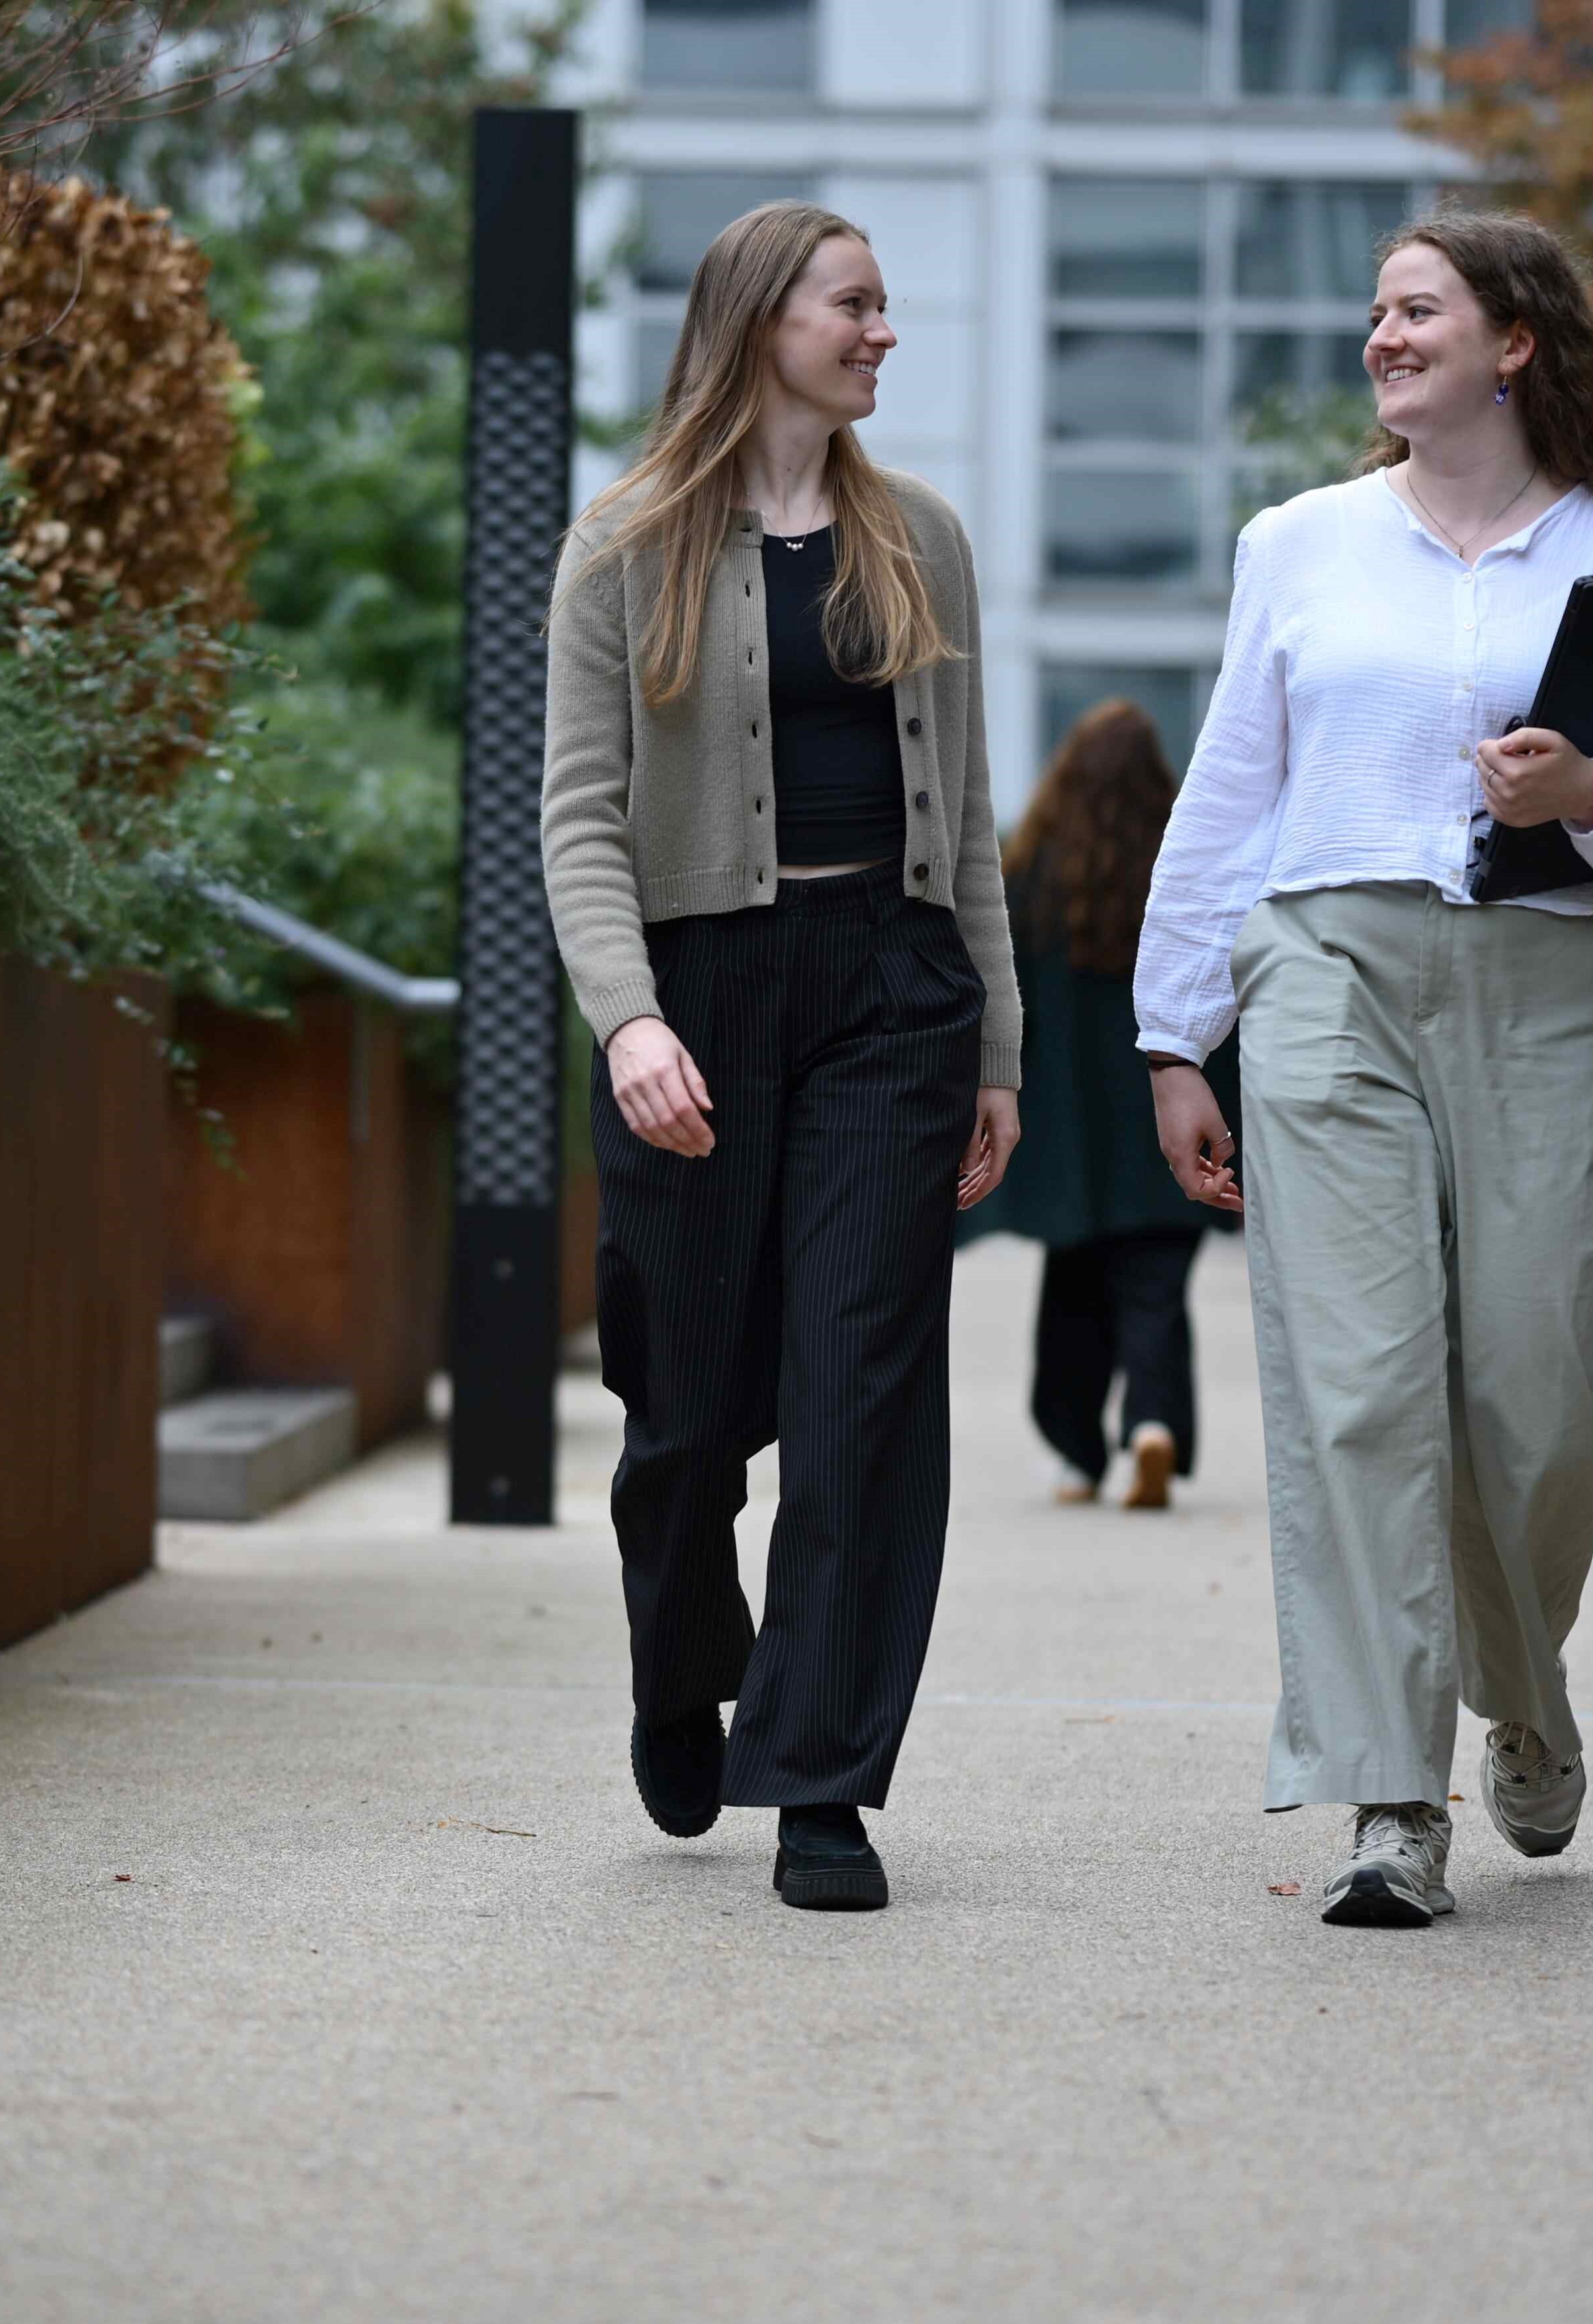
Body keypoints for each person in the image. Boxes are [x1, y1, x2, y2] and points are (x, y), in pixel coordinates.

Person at [1134, 210, 1593, 1929]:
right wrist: (1171, 1033)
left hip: (1542, 987)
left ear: (1512, 342)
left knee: (1535, 1418)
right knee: (1357, 1394)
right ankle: (1383, 1796)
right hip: (1322, 967)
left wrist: (1586, 800)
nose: (1379, 336)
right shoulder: (1298, 545)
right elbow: (1225, 799)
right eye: (1371, 313)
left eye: (1414, 309)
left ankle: (1527, 1698)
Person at [542, 201, 1022, 1914]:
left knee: (858, 1387)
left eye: (885, 307)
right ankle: (682, 1659)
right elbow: (577, 820)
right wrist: (629, 1020)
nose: (882, 333)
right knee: (682, 1410)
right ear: (760, 323)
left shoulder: (923, 544)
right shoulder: (624, 543)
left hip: (890, 997)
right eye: (855, 306)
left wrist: (995, 1044)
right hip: (694, 991)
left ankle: (818, 1777)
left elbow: (961, 817)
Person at [965, 698, 1238, 1513]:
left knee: (1072, 1290)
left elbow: (1008, 1003)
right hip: (1164, 1125)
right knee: (1154, 1291)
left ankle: (1078, 1452)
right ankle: (1152, 1424)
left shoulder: (1030, 876)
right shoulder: (1181, 876)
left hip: (1068, 1138)